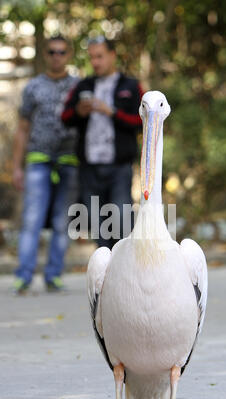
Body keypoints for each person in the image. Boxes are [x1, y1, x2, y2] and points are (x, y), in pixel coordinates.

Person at [61, 36, 144, 249]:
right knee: (98, 228)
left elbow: (143, 122)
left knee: (121, 222)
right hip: (89, 168)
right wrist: (79, 112)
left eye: (100, 56)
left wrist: (113, 113)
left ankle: (126, 274)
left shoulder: (131, 86)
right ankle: (105, 279)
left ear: (112, 55)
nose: (95, 62)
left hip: (119, 167)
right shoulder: (83, 85)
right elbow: (65, 117)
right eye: (92, 58)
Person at [12, 35, 79, 293]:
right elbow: (22, 128)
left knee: (63, 222)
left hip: (69, 160)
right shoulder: (33, 87)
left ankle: (53, 274)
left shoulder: (78, 85)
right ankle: (24, 275)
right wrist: (17, 167)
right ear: (45, 54)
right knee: (32, 220)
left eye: (61, 52)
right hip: (38, 160)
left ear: (69, 54)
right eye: (52, 51)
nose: (56, 56)